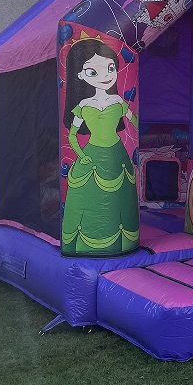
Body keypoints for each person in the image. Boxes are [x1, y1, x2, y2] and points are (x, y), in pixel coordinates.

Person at [61, 34, 140, 255]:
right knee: (89, 201)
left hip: (117, 154)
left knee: (121, 199)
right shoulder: (84, 105)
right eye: (93, 72)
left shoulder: (118, 102)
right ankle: (92, 243)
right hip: (93, 154)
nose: (105, 76)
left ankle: (122, 241)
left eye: (110, 68)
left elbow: (133, 121)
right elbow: (72, 135)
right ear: (80, 74)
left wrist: (133, 117)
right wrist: (80, 155)